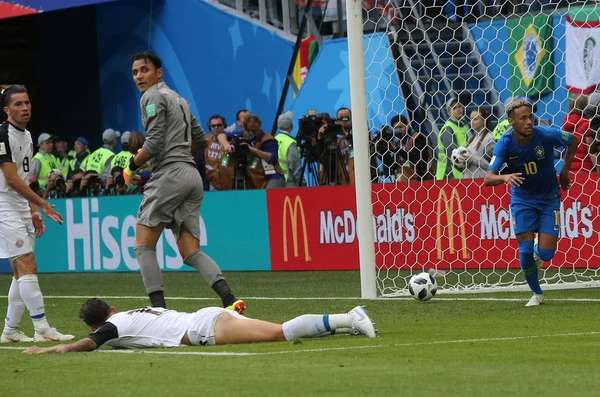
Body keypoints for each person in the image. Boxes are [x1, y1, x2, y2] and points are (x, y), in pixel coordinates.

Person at [123, 51, 245, 312]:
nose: (139, 76)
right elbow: (201, 140)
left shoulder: (152, 96)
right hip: (191, 176)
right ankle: (230, 299)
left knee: (143, 246)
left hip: (169, 176)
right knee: (191, 252)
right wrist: (177, 151)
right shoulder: (179, 99)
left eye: (144, 70)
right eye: (135, 72)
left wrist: (130, 165)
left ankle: (159, 311)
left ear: (158, 73)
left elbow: (154, 143)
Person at [22, 298, 377, 354]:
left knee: (279, 332)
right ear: (112, 308)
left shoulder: (111, 329)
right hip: (204, 319)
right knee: (275, 331)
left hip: (204, 328)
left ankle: (350, 316)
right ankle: (344, 326)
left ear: (94, 324)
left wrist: (56, 347)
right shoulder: (128, 313)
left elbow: (87, 345)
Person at [484, 99, 579, 307]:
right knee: (524, 251)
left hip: (549, 199)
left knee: (545, 253)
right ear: (511, 122)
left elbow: (573, 141)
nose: (529, 122)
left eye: (530, 117)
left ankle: (537, 253)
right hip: (523, 200)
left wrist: (564, 171)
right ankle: (537, 294)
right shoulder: (505, 143)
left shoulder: (545, 134)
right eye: (523, 118)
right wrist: (504, 178)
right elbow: (488, 178)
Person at [0, 85, 73, 343]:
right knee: (26, 265)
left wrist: (32, 209)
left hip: (19, 205)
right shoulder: (2, 135)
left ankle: (9, 331)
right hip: (3, 206)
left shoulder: (28, 136)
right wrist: (42, 203)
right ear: (7, 109)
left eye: (27, 102)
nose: (25, 108)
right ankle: (41, 328)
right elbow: (10, 179)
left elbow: (23, 179)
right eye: (18, 104)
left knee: (23, 271)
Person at [456, 108, 495, 179]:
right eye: (471, 119)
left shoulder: (489, 138)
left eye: (475, 119)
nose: (472, 122)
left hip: (481, 180)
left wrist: (472, 159)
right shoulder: (471, 138)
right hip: (468, 180)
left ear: (483, 121)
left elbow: (492, 166)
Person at [436, 98, 468, 180]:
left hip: (459, 172)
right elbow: (452, 153)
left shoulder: (462, 126)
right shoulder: (448, 128)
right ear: (449, 113)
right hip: (449, 173)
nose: (458, 109)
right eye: (454, 108)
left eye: (459, 107)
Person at [562, 95, 596, 173]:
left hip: (570, 169)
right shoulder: (586, 124)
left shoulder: (567, 126)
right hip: (585, 169)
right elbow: (591, 150)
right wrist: (596, 170)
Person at [275, 111, 303, 187]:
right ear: (291, 125)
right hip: (289, 182)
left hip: (275, 181)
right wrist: (302, 182)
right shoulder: (290, 142)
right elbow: (294, 165)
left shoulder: (274, 140)